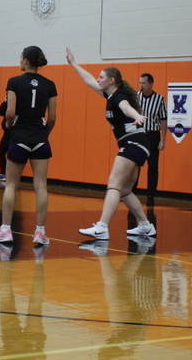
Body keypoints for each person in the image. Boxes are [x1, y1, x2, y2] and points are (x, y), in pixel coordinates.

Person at [65, 48, 153, 241]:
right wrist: (73, 63)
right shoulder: (110, 95)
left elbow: (126, 108)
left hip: (134, 143)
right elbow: (88, 80)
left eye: (101, 77)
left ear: (111, 80)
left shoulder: (120, 97)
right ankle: (146, 227)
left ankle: (102, 227)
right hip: (140, 144)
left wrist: (137, 115)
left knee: (114, 184)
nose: (98, 79)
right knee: (124, 190)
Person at [0, 46, 58, 246]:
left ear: (26, 61)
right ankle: (40, 233)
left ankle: (5, 230)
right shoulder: (50, 84)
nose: (19, 60)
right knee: (41, 187)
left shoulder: (14, 82)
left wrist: (11, 127)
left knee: (10, 185)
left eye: (20, 57)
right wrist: (44, 135)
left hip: (19, 137)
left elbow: (9, 113)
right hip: (40, 138)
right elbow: (52, 118)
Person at [135, 73, 168, 206]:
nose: (141, 85)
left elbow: (163, 119)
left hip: (153, 134)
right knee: (136, 165)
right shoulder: (136, 97)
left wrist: (163, 139)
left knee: (153, 166)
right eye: (140, 83)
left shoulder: (159, 99)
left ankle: (150, 195)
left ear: (151, 84)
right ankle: (132, 191)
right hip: (139, 134)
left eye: (143, 83)